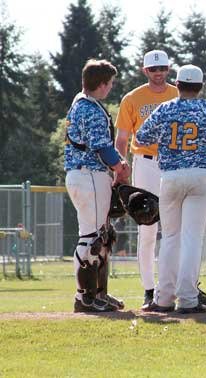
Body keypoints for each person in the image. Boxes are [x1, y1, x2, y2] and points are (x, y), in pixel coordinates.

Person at [136, 64, 206, 314]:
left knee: (171, 237)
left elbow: (141, 138)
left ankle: (163, 299)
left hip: (171, 176)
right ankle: (187, 298)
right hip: (202, 177)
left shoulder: (165, 108)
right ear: (200, 86)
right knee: (192, 237)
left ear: (178, 84)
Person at [65, 59, 131, 312]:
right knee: (91, 237)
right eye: (110, 83)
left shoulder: (81, 103)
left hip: (86, 175)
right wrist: (120, 166)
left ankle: (99, 294)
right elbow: (101, 146)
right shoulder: (90, 109)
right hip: (89, 174)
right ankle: (85, 297)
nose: (110, 87)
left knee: (101, 236)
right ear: (101, 85)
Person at [115, 50, 178, 308]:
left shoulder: (177, 93)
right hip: (146, 164)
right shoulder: (133, 98)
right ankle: (149, 289)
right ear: (145, 71)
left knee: (177, 228)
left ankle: (185, 286)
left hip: (174, 163)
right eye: (154, 69)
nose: (159, 72)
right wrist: (119, 169)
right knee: (147, 227)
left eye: (163, 67)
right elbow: (121, 139)